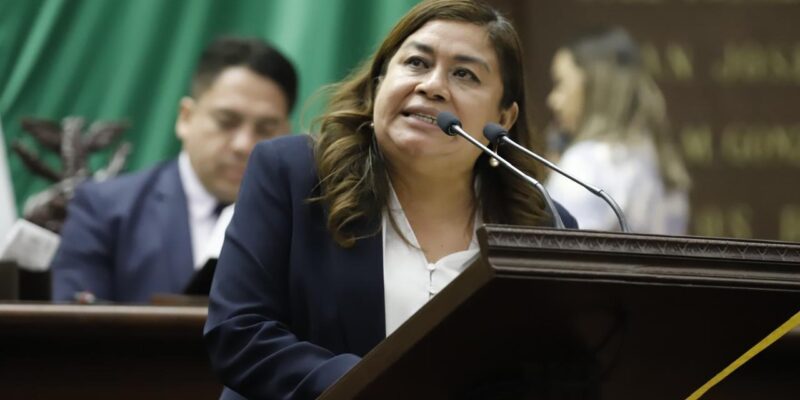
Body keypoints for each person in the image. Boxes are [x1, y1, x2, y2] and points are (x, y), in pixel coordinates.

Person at [204, 1, 577, 399]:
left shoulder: (541, 225)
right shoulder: (293, 174)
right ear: (379, 83)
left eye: (464, 74)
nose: (432, 86)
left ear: (503, 119)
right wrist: (374, 388)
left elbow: (558, 372)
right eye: (417, 63)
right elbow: (239, 332)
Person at [50, 36, 298, 303]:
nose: (244, 145)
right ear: (186, 117)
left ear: (287, 133)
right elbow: (75, 322)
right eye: (227, 121)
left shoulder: (303, 222)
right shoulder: (104, 210)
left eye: (265, 129)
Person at [545, 27, 691, 234]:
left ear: (595, 86)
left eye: (560, 84)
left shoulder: (585, 165)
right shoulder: (661, 162)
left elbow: (558, 249)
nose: (553, 100)